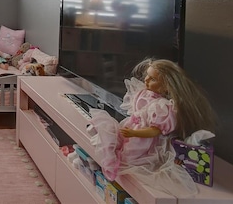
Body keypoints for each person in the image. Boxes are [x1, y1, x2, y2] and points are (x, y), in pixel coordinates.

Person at [89, 58, 216, 197]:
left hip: (144, 139)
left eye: (153, 79)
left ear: (165, 86)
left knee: (129, 155)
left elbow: (155, 131)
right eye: (147, 76)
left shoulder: (162, 107)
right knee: (115, 140)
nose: (146, 80)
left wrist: (133, 132)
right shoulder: (144, 94)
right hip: (134, 130)